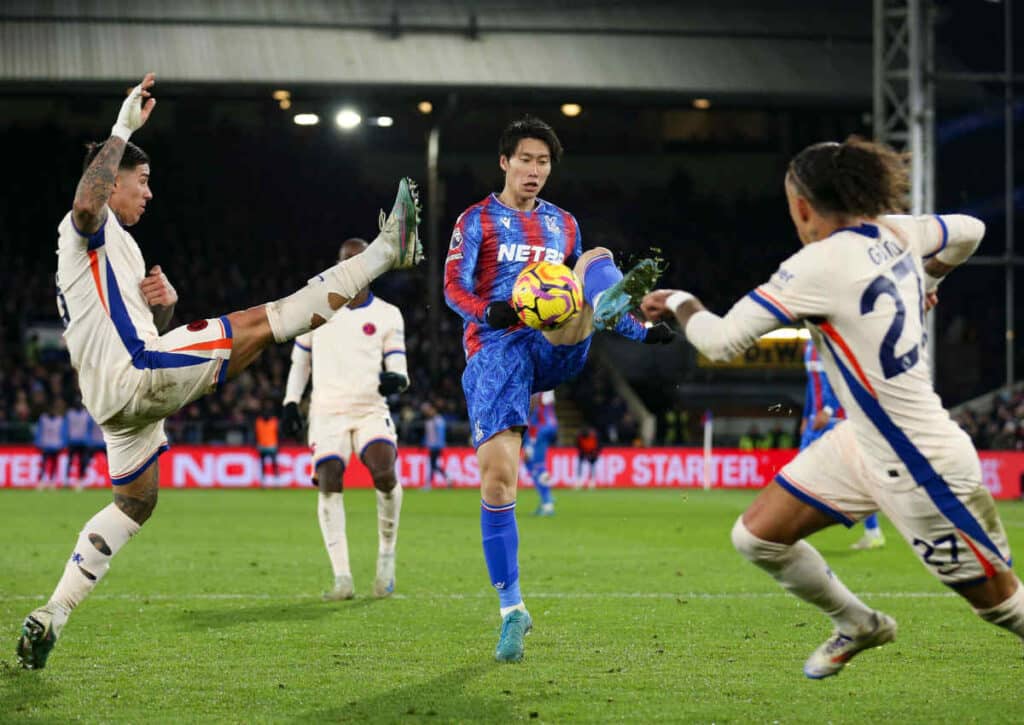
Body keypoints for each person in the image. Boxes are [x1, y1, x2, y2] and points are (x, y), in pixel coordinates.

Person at [17, 72, 422, 670]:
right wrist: (123, 126)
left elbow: (132, 320)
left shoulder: (118, 248)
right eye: (143, 180)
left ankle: (52, 613)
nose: (149, 194)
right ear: (115, 176)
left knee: (134, 502)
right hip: (138, 374)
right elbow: (84, 202)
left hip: (112, 401)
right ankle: (387, 253)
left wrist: (165, 307)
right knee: (266, 321)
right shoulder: (90, 223)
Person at [642, 136, 1022, 679]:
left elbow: (720, 341)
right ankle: (861, 624)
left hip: (918, 463)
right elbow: (971, 230)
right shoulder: (900, 231)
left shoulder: (812, 267)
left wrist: (679, 301)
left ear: (802, 206)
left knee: (1002, 605)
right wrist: (930, 277)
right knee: (758, 536)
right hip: (863, 440)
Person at [444, 115, 674, 663]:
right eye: (525, 159)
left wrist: (634, 329)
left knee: (593, 259)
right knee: (498, 483)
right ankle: (512, 611)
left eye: (543, 162)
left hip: (554, 336)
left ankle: (623, 317)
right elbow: (452, 286)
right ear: (505, 162)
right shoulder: (475, 220)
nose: (534, 170)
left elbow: (577, 279)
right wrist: (489, 310)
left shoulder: (563, 225)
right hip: (496, 348)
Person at [282, 237, 409, 601]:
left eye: (358, 261)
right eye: (344, 261)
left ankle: (386, 556)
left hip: (370, 409)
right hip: (327, 412)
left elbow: (398, 366)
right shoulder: (316, 310)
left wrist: (396, 379)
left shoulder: (387, 314)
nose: (350, 267)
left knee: (384, 471)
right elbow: (299, 362)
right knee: (329, 478)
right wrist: (291, 402)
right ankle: (343, 578)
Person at [800, 339, 885, 550]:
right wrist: (806, 415)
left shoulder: (831, 344)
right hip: (816, 420)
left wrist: (828, 410)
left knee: (856, 473)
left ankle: (873, 531)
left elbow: (842, 382)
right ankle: (794, 531)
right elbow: (813, 385)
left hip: (835, 419)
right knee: (801, 470)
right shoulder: (809, 346)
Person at [525, 390, 558, 515]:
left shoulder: (538, 412)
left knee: (537, 466)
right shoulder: (536, 415)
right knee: (531, 463)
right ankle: (545, 497)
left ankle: (547, 503)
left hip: (542, 430)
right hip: (547, 427)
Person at [65, 396, 95, 491]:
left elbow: (90, 429)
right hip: (72, 441)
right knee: (70, 461)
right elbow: (66, 427)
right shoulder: (70, 414)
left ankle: (80, 481)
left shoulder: (86, 414)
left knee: (83, 462)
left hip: (83, 442)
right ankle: (67, 480)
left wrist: (89, 440)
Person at [35, 402, 67, 489]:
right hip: (45, 445)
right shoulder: (43, 418)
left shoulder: (60, 420)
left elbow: (63, 433)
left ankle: (52, 482)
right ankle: (41, 482)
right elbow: (39, 431)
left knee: (54, 465)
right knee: (44, 464)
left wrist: (63, 444)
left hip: (56, 446)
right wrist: (38, 443)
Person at [421, 401, 449, 490]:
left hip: (436, 446)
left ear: (434, 410)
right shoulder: (429, 421)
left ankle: (429, 484)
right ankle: (448, 478)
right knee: (433, 465)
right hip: (431, 446)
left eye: (430, 410)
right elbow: (428, 435)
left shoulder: (438, 420)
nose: (428, 412)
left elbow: (441, 434)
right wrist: (424, 443)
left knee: (433, 465)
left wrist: (440, 444)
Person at [254, 402, 280, 486]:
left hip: (270, 445)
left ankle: (273, 480)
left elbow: (278, 434)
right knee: (265, 464)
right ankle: (265, 480)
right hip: (265, 446)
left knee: (271, 464)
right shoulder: (262, 421)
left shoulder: (272, 421)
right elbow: (256, 434)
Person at [575, 425, 601, 490]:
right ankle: (579, 482)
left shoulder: (594, 437)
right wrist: (584, 454)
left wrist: (594, 454)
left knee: (592, 467)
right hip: (583, 453)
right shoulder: (580, 438)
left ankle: (592, 482)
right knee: (580, 465)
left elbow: (598, 446)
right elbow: (579, 447)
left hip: (593, 454)